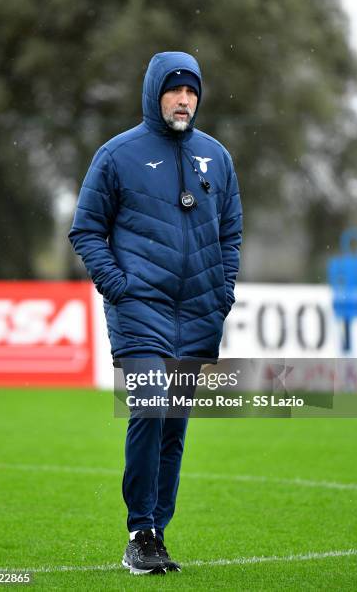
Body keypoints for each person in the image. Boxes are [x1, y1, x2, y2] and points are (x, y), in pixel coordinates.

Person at [69, 51, 242, 575]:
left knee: (174, 426)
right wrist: (118, 286)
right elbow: (85, 230)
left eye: (191, 91)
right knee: (149, 404)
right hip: (139, 309)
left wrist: (222, 293)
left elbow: (230, 233)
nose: (184, 99)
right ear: (154, 93)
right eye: (173, 90)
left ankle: (156, 535)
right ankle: (139, 529)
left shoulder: (217, 156)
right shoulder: (117, 154)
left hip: (198, 314)